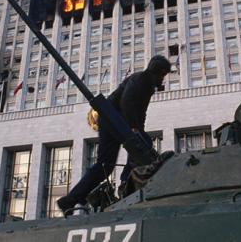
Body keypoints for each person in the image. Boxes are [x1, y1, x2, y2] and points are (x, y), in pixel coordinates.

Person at [57, 55, 171, 215]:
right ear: (155, 71)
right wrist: (134, 128)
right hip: (112, 120)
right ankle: (126, 183)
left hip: (115, 121)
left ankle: (69, 200)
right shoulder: (140, 80)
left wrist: (138, 129)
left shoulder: (148, 86)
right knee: (133, 151)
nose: (162, 78)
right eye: (162, 74)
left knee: (116, 159)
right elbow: (126, 102)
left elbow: (141, 112)